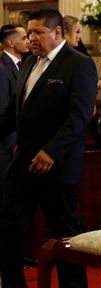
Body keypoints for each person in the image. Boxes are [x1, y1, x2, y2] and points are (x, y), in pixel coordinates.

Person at [0, 8, 98, 288]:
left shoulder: (79, 64)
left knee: (66, 238)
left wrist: (52, 151)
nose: (31, 38)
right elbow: (12, 112)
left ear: (57, 33)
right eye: (29, 32)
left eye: (38, 32)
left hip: (58, 166)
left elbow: (79, 116)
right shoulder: (29, 63)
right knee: (8, 229)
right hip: (24, 166)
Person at [0, 25, 30, 200]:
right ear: (11, 42)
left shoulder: (22, 65)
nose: (28, 41)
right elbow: (3, 109)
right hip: (7, 149)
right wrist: (13, 145)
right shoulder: (2, 69)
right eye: (24, 37)